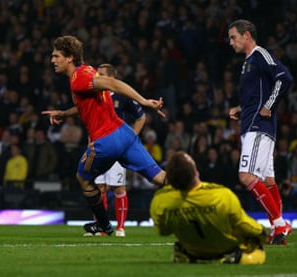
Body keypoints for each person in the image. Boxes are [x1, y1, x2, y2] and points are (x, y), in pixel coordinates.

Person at [42, 35, 167, 236]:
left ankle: (103, 225)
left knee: (82, 177)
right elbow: (85, 104)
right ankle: (201, 196)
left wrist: (143, 101)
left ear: (70, 58)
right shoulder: (87, 70)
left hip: (106, 140)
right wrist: (65, 113)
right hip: (125, 134)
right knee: (160, 177)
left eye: (56, 56)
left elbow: (113, 84)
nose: (52, 60)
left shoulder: (78, 79)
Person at [227, 19, 293, 244]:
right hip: (252, 123)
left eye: (233, 37)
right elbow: (255, 97)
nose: (230, 42)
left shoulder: (260, 54)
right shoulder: (247, 63)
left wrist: (270, 106)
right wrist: (240, 108)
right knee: (268, 180)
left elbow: (284, 77)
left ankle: (279, 224)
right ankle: (279, 230)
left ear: (247, 35)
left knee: (246, 176)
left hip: (258, 126)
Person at [150, 151, 267, 264]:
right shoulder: (221, 195)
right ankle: (232, 258)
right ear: (196, 173)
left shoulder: (162, 199)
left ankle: (186, 255)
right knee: (256, 245)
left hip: (193, 251)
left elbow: (163, 231)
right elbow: (244, 225)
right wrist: (261, 232)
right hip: (224, 249)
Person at [85, 63, 147, 237]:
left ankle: (121, 228)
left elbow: (141, 117)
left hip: (117, 147)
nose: (98, 77)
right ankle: (102, 227)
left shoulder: (122, 95)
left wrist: (130, 138)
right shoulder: (95, 96)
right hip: (98, 147)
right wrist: (89, 142)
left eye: (102, 74)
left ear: (111, 78)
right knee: (99, 188)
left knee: (118, 188)